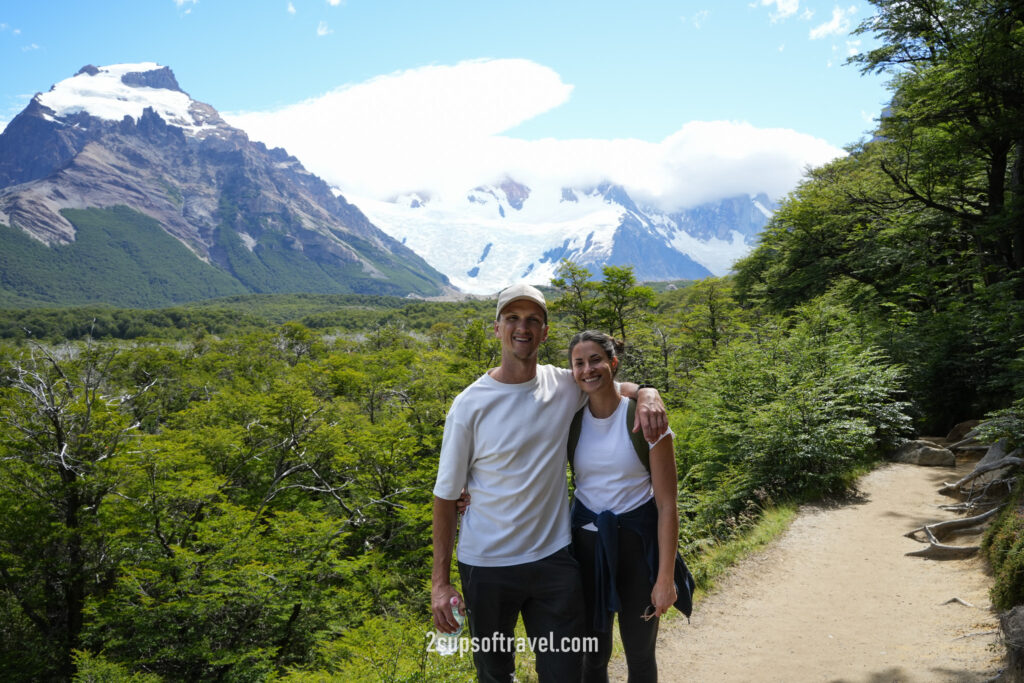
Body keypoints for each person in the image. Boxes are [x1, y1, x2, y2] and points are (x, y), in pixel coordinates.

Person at [431, 283, 667, 683]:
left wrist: (647, 392)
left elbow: (607, 385)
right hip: (487, 567)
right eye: (512, 319)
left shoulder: (562, 384)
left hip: (554, 561)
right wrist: (440, 582)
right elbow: (445, 497)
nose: (522, 328)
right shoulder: (469, 404)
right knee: (494, 673)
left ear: (544, 331)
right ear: (497, 328)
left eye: (533, 320)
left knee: (565, 672)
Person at [567, 330, 680, 683]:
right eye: (579, 363)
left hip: (637, 548)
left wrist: (666, 578)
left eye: (596, 360)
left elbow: (667, 504)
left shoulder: (646, 420)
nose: (588, 369)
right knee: (591, 656)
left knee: (640, 654)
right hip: (585, 549)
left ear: (613, 363)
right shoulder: (569, 416)